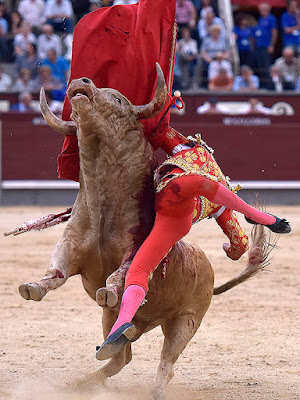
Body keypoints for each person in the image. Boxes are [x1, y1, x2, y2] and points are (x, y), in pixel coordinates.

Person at [55, 0, 291, 359]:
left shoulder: (184, 177)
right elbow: (229, 202)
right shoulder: (193, 176)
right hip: (175, 217)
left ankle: (120, 327)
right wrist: (260, 225)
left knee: (137, 273)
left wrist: (252, 230)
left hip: (172, 212)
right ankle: (120, 328)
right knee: (137, 270)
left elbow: (225, 198)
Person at [252, 2, 277, 88]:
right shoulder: (260, 19)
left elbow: (274, 32)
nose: (261, 11)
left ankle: (269, 85)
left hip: (267, 46)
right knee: (260, 65)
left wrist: (272, 45)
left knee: (267, 66)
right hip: (259, 46)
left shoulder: (271, 18)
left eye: (263, 9)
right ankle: (263, 84)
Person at [200, 24, 230, 88]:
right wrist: (209, 59)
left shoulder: (223, 40)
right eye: (213, 31)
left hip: (221, 57)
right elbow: (203, 52)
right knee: (205, 64)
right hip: (210, 58)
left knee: (227, 63)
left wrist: (222, 56)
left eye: (217, 31)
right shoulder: (206, 40)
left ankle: (226, 84)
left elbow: (227, 52)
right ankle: (208, 84)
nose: (215, 33)